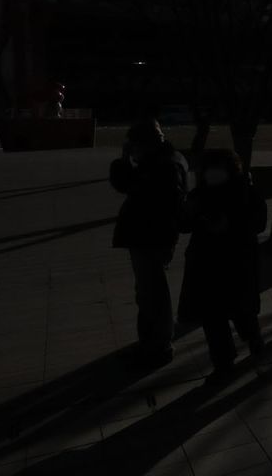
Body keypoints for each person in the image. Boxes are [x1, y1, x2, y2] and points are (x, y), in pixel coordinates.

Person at [178, 149, 266, 384]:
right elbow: (184, 225)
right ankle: (223, 362)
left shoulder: (245, 193)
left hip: (237, 262)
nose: (212, 174)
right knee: (212, 317)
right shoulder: (200, 194)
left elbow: (258, 222)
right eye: (209, 169)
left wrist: (231, 226)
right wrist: (191, 215)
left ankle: (253, 337)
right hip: (206, 263)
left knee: (241, 311)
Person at [109, 119, 188, 369]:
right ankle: (151, 342)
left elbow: (152, 197)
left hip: (152, 237)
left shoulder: (164, 166)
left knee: (153, 294)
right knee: (147, 292)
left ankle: (158, 345)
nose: (132, 151)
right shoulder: (161, 161)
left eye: (134, 146)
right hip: (150, 236)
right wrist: (125, 163)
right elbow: (126, 185)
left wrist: (128, 168)